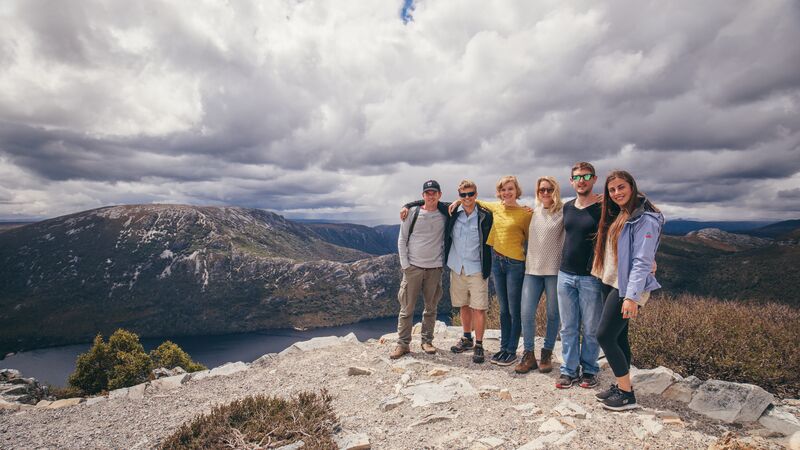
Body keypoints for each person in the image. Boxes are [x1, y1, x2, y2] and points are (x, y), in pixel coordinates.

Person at [592, 170, 664, 410]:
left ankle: (626, 395)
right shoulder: (624, 213)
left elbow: (642, 261)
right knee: (618, 336)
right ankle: (622, 386)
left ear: (632, 187)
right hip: (611, 281)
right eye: (612, 190)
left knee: (604, 335)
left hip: (627, 288)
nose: (616, 193)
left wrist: (631, 297)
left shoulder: (646, 219)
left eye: (621, 187)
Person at [400, 180, 494, 363]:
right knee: (463, 305)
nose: (467, 198)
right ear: (458, 196)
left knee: (479, 308)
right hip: (456, 267)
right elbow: (427, 203)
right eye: (463, 195)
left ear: (476, 194)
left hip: (476, 268)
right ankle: (467, 338)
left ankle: (479, 345)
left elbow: (502, 209)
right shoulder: (451, 212)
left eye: (470, 194)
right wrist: (406, 205)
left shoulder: (485, 215)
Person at [450, 176, 532, 366]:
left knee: (514, 309)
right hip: (496, 262)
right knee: (504, 309)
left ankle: (511, 350)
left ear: (516, 190)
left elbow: (531, 238)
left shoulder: (525, 214)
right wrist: (457, 201)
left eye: (510, 189)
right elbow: (472, 200)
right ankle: (503, 348)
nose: (506, 193)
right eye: (503, 190)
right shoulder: (495, 208)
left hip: (515, 264)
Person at [556, 162, 603, 389]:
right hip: (565, 274)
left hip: (591, 277)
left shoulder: (604, 207)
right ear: (571, 181)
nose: (581, 180)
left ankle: (590, 370)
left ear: (594, 179)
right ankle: (569, 370)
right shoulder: (567, 207)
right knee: (568, 326)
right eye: (577, 177)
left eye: (586, 176)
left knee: (591, 328)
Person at [391, 180, 448, 359]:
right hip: (413, 268)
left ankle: (426, 341)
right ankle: (403, 344)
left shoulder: (446, 213)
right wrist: (405, 266)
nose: (431, 195)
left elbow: (467, 203)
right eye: (427, 193)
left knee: (431, 308)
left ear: (439, 195)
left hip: (434, 268)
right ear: (423, 195)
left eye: (434, 192)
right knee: (407, 308)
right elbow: (402, 240)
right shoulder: (412, 214)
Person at [515, 176, 564, 374]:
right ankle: (528, 355)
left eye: (549, 189)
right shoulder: (532, 212)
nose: (545, 193)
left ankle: (546, 353)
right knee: (526, 313)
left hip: (554, 271)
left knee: (553, 315)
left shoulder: (563, 211)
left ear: (556, 190)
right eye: (542, 189)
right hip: (532, 271)